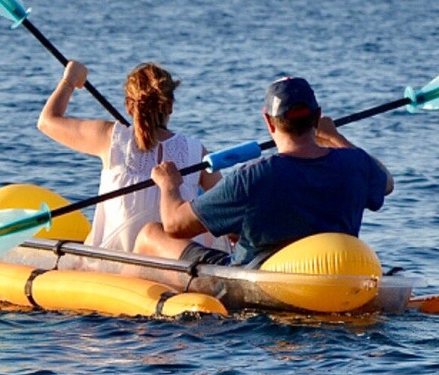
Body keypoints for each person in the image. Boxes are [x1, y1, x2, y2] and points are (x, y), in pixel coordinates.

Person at [134, 76, 393, 266]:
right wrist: (335, 137)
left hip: (259, 283)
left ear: (268, 121)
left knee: (151, 233)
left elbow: (174, 225)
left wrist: (169, 184)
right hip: (334, 276)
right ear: (318, 117)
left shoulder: (252, 177)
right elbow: (386, 184)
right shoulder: (356, 163)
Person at [37, 59, 225, 253]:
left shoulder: (111, 138)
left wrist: (69, 80)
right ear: (170, 107)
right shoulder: (196, 151)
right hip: (179, 266)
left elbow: (47, 121)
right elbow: (226, 205)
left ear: (129, 106)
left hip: (115, 270)